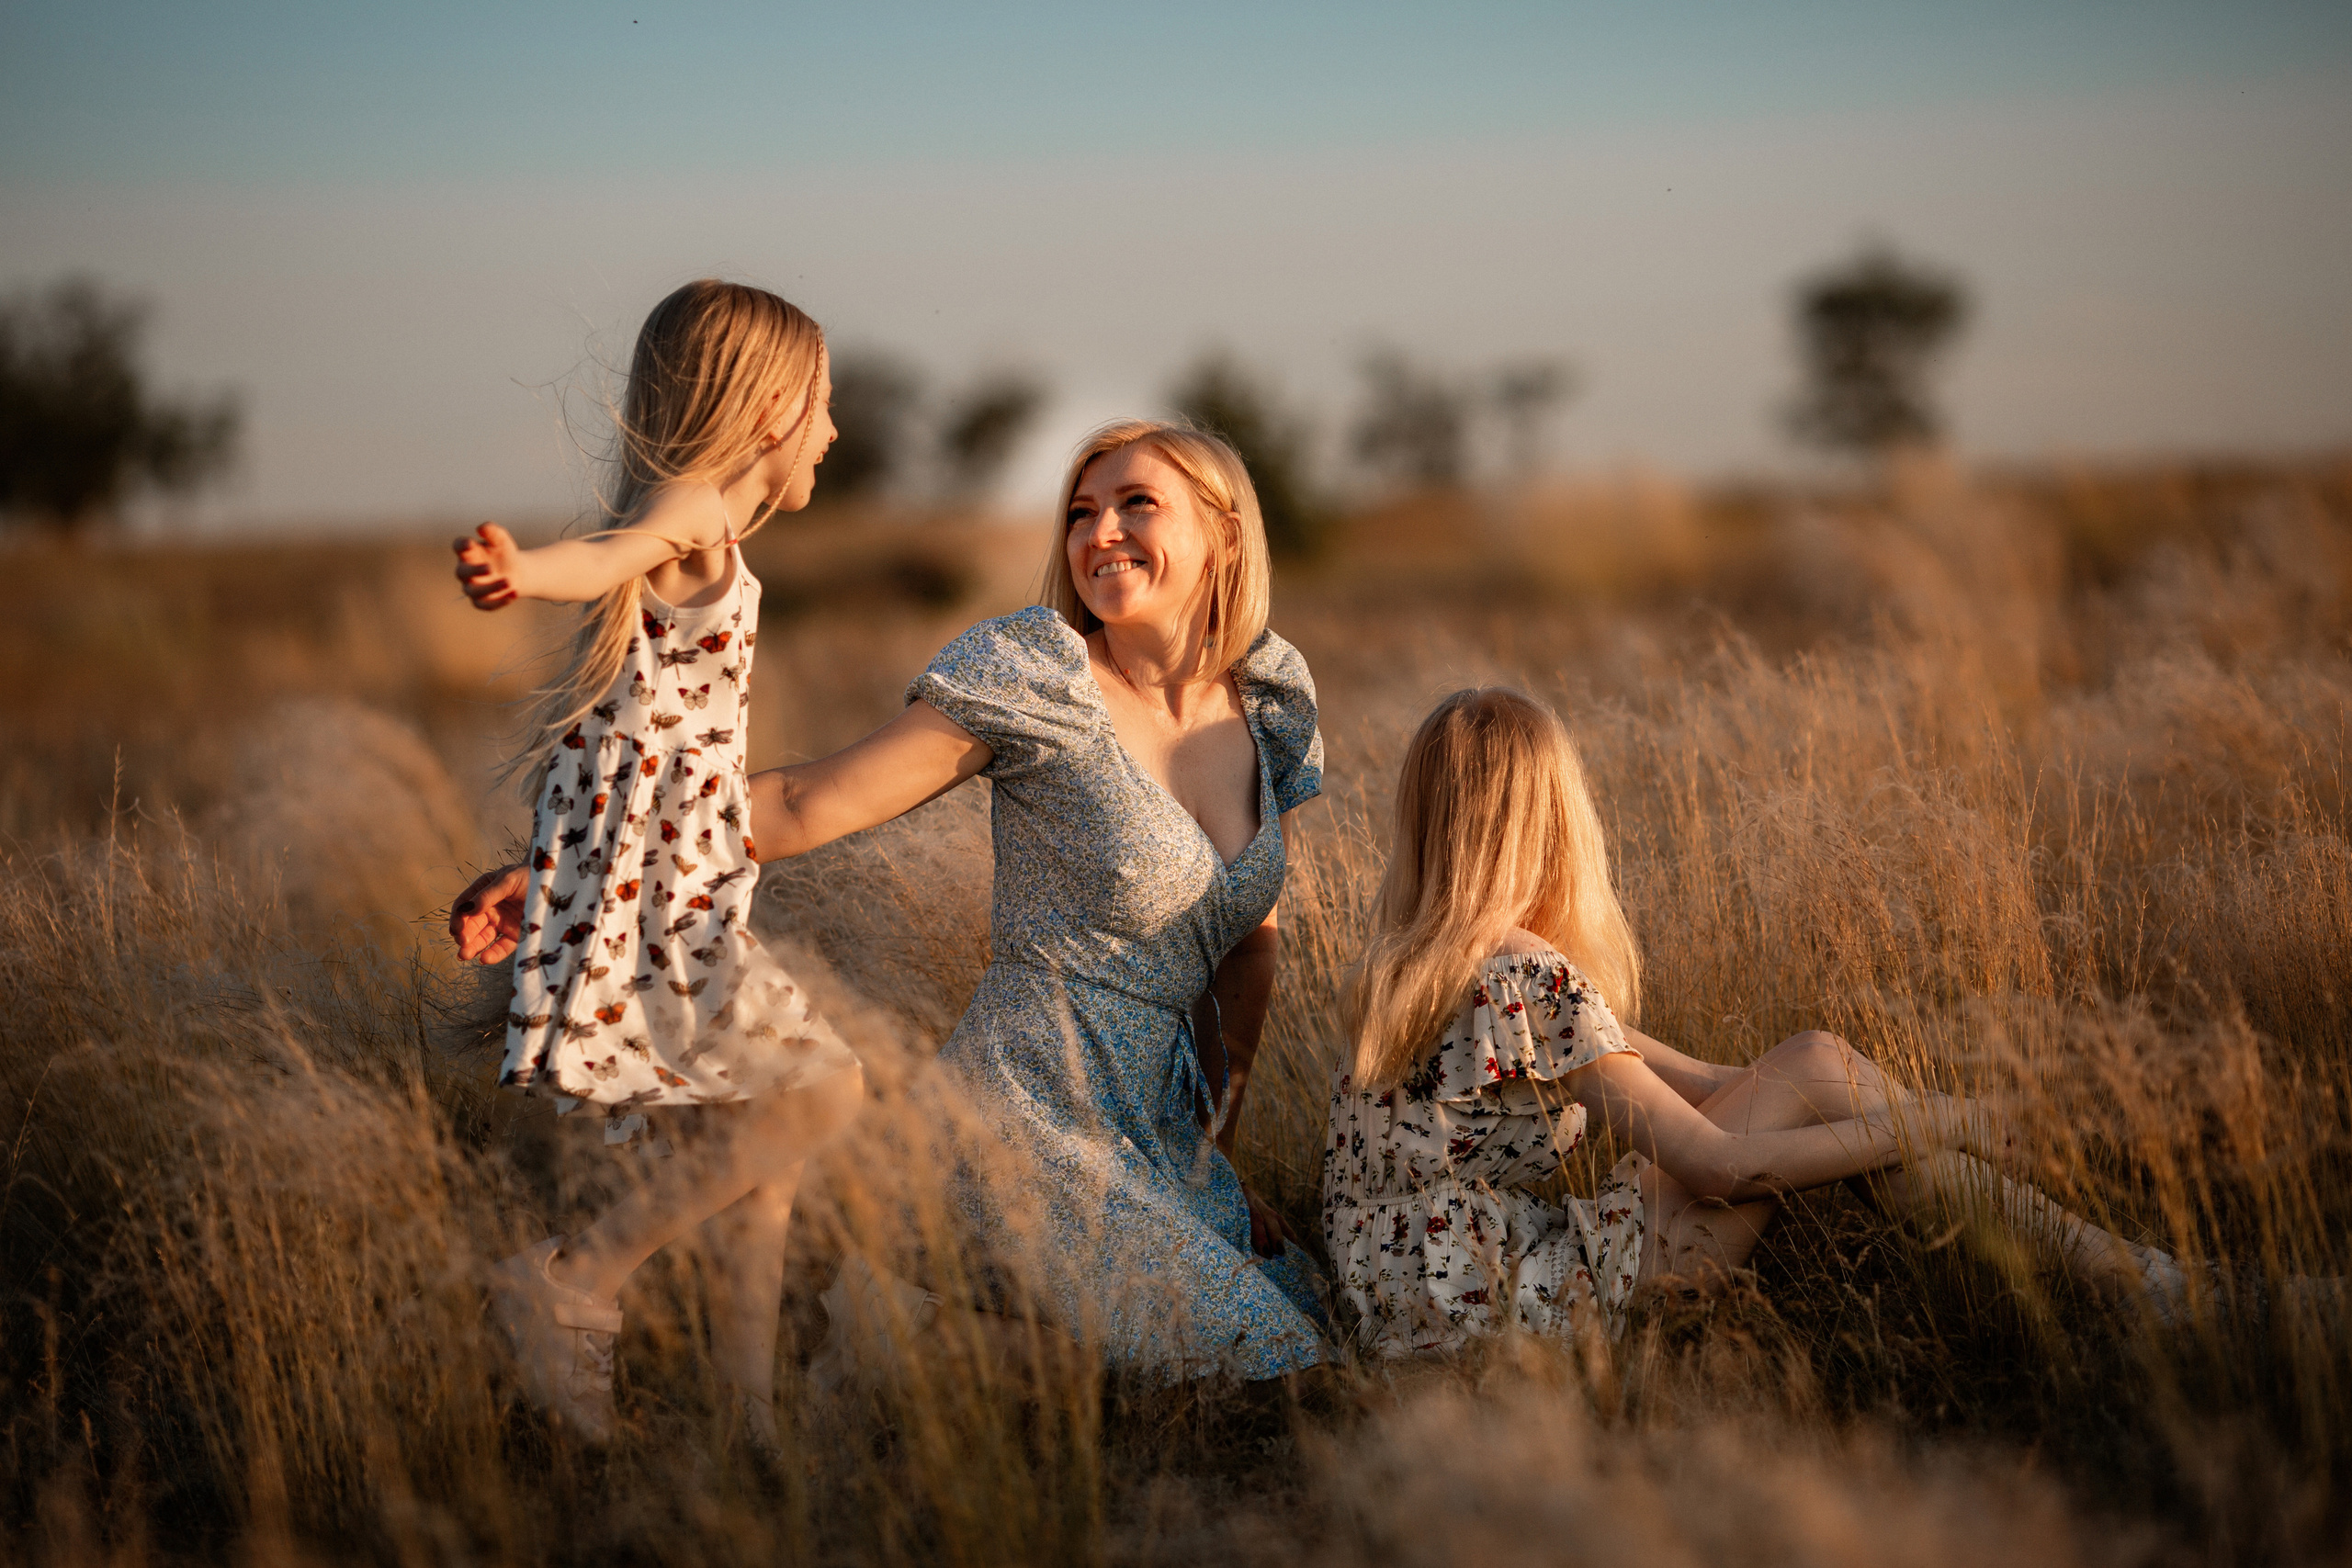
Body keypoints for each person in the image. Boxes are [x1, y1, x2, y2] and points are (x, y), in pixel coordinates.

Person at [455, 418, 1329, 1386]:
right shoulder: (1044, 678)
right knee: (1275, 1362)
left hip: (1157, 1130)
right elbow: (804, 800)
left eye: (1136, 504)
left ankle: (918, 1334)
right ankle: (917, 1320)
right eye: (1080, 512)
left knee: (1310, 1306)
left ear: (1225, 534)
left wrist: (1217, 1159)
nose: (1099, 534)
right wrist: (570, 867)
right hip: (1024, 1117)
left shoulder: (1269, 704)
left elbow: (1249, 950)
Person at [1322, 686, 2191, 1358]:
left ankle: (2131, 1272)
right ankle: (2136, 1277)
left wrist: (1884, 1113)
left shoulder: (1399, 967)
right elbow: (1722, 1167)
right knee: (1819, 1072)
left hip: (1410, 1317)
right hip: (1527, 1316)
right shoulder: (1522, 974)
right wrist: (1947, 1117)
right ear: (1552, 819)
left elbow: (1702, 1085)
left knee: (1818, 1073)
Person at [447, 279, 865, 1445]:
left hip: (675, 890)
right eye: (824, 403)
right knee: (825, 1093)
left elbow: (617, 751)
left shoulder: (705, 533)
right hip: (674, 914)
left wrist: (543, 876)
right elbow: (607, 554)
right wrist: (525, 571)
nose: (834, 431)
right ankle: (576, 1277)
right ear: (771, 409)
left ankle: (748, 1424)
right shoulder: (689, 513)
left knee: (768, 1148)